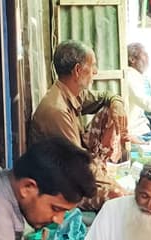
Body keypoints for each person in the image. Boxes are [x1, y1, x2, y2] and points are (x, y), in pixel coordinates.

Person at [30, 40, 128, 211]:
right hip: (60, 186)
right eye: (93, 66)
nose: (95, 72)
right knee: (118, 196)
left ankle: (103, 169)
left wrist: (117, 104)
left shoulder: (72, 93)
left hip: (76, 166)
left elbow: (107, 96)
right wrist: (113, 184)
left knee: (109, 110)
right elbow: (79, 166)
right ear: (77, 70)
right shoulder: (56, 110)